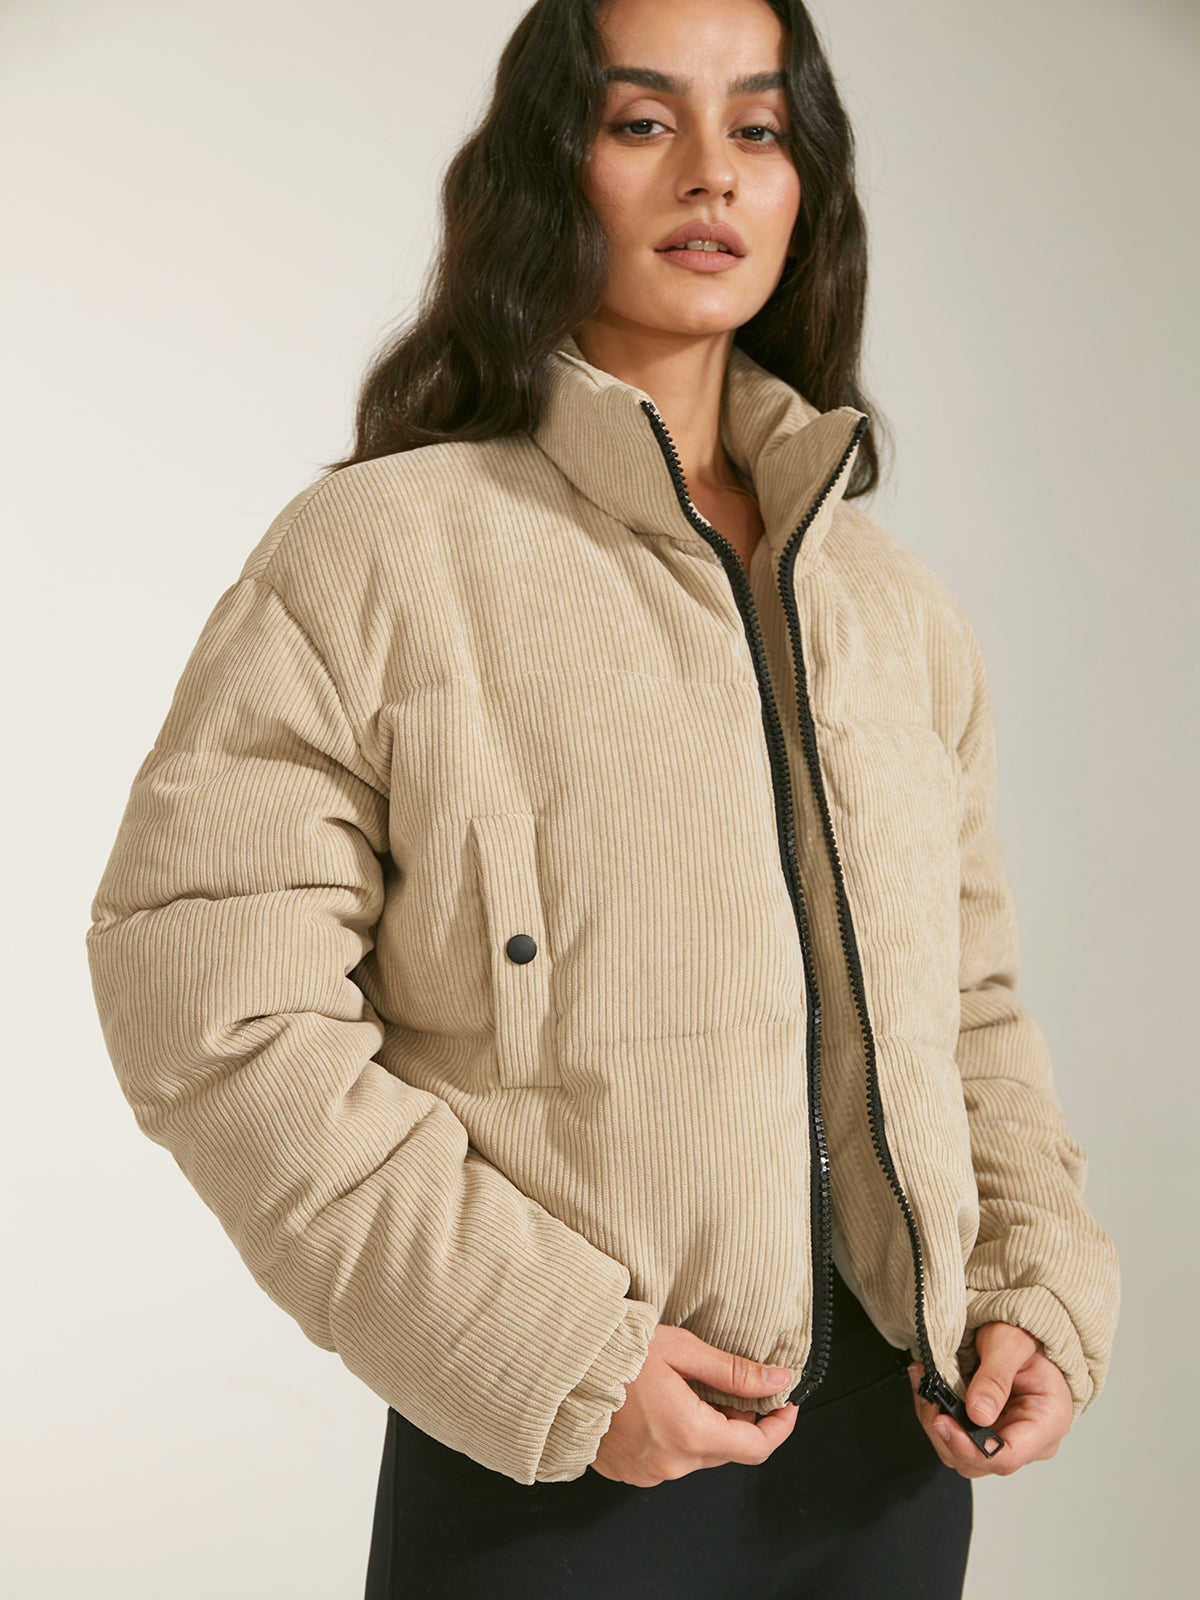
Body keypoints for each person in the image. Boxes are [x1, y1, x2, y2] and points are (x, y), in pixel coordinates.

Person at [86, 0, 1120, 1595]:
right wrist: (554, 1350)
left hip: (892, 1478)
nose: (712, 171)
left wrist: (1034, 1289)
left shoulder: (890, 608)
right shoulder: (382, 555)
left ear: (805, 185)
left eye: (758, 128)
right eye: (644, 121)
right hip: (554, 1473)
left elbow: (970, 1009)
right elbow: (212, 1003)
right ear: (546, 170)